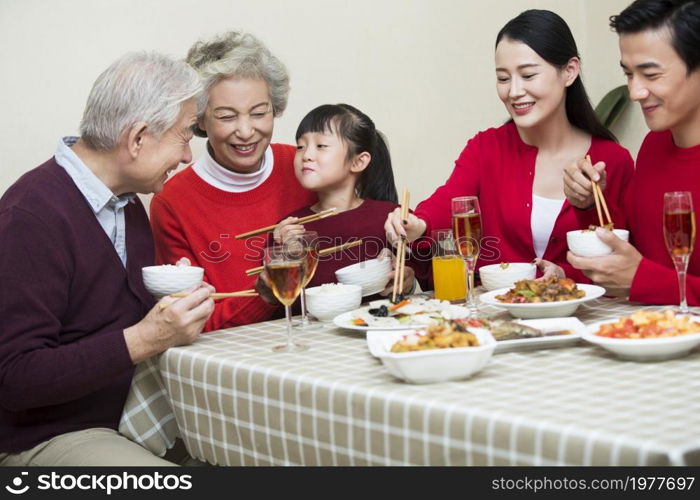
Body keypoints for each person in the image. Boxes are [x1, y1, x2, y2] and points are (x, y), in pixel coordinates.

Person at [0, 53, 214, 466]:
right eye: (185, 135)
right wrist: (146, 338)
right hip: (42, 437)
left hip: (128, 414)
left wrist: (167, 304)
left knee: (252, 453)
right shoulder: (29, 217)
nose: (188, 156)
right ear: (137, 138)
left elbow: (100, 320)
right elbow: (14, 378)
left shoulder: (128, 203)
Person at [385, 9, 634, 283]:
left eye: (528, 75)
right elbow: (451, 201)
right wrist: (418, 224)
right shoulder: (486, 148)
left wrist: (566, 274)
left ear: (570, 71)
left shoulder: (611, 159)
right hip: (498, 317)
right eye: (503, 78)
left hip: (584, 318)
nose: (513, 91)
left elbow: (619, 254)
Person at [150, 31, 315, 332]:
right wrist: (264, 294)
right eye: (226, 117)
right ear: (199, 119)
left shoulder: (304, 167)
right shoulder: (172, 202)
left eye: (259, 113)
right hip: (235, 360)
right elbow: (187, 319)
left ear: (274, 108)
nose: (246, 131)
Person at [567, 0, 700, 305]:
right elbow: (638, 255)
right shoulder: (654, 146)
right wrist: (589, 203)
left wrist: (642, 280)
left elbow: (642, 274)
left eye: (651, 75)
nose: (634, 92)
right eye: (629, 74)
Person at [271, 103, 421, 295]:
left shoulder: (393, 218)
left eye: (321, 146)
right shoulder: (291, 227)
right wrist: (281, 254)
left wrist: (408, 282)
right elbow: (277, 301)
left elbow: (427, 279)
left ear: (358, 161)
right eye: (300, 146)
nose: (306, 155)